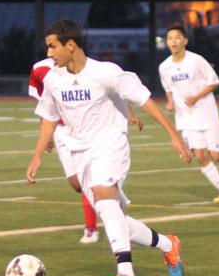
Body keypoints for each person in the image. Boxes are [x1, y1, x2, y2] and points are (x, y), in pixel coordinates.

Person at [26, 18, 192, 276]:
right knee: (113, 214)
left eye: (53, 47)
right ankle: (167, 244)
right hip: (81, 152)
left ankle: (126, 273)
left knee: (104, 198)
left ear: (71, 45)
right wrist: (37, 156)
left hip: (111, 144)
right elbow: (49, 118)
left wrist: (173, 135)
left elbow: (144, 99)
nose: (49, 54)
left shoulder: (106, 72)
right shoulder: (53, 79)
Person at [28, 57, 145, 244]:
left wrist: (129, 112)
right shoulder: (40, 69)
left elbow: (110, 91)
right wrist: (45, 137)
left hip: (89, 132)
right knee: (76, 184)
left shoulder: (88, 67)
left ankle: (92, 228)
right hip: (62, 132)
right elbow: (44, 106)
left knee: (91, 184)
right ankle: (113, 197)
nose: (51, 49)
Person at [159, 23, 219, 203]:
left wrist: (197, 97)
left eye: (177, 37)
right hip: (186, 118)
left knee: (216, 156)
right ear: (167, 43)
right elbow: (169, 88)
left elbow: (214, 82)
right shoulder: (164, 67)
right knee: (200, 155)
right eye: (170, 38)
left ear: (185, 41)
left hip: (206, 113)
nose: (173, 41)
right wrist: (170, 101)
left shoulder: (196, 61)